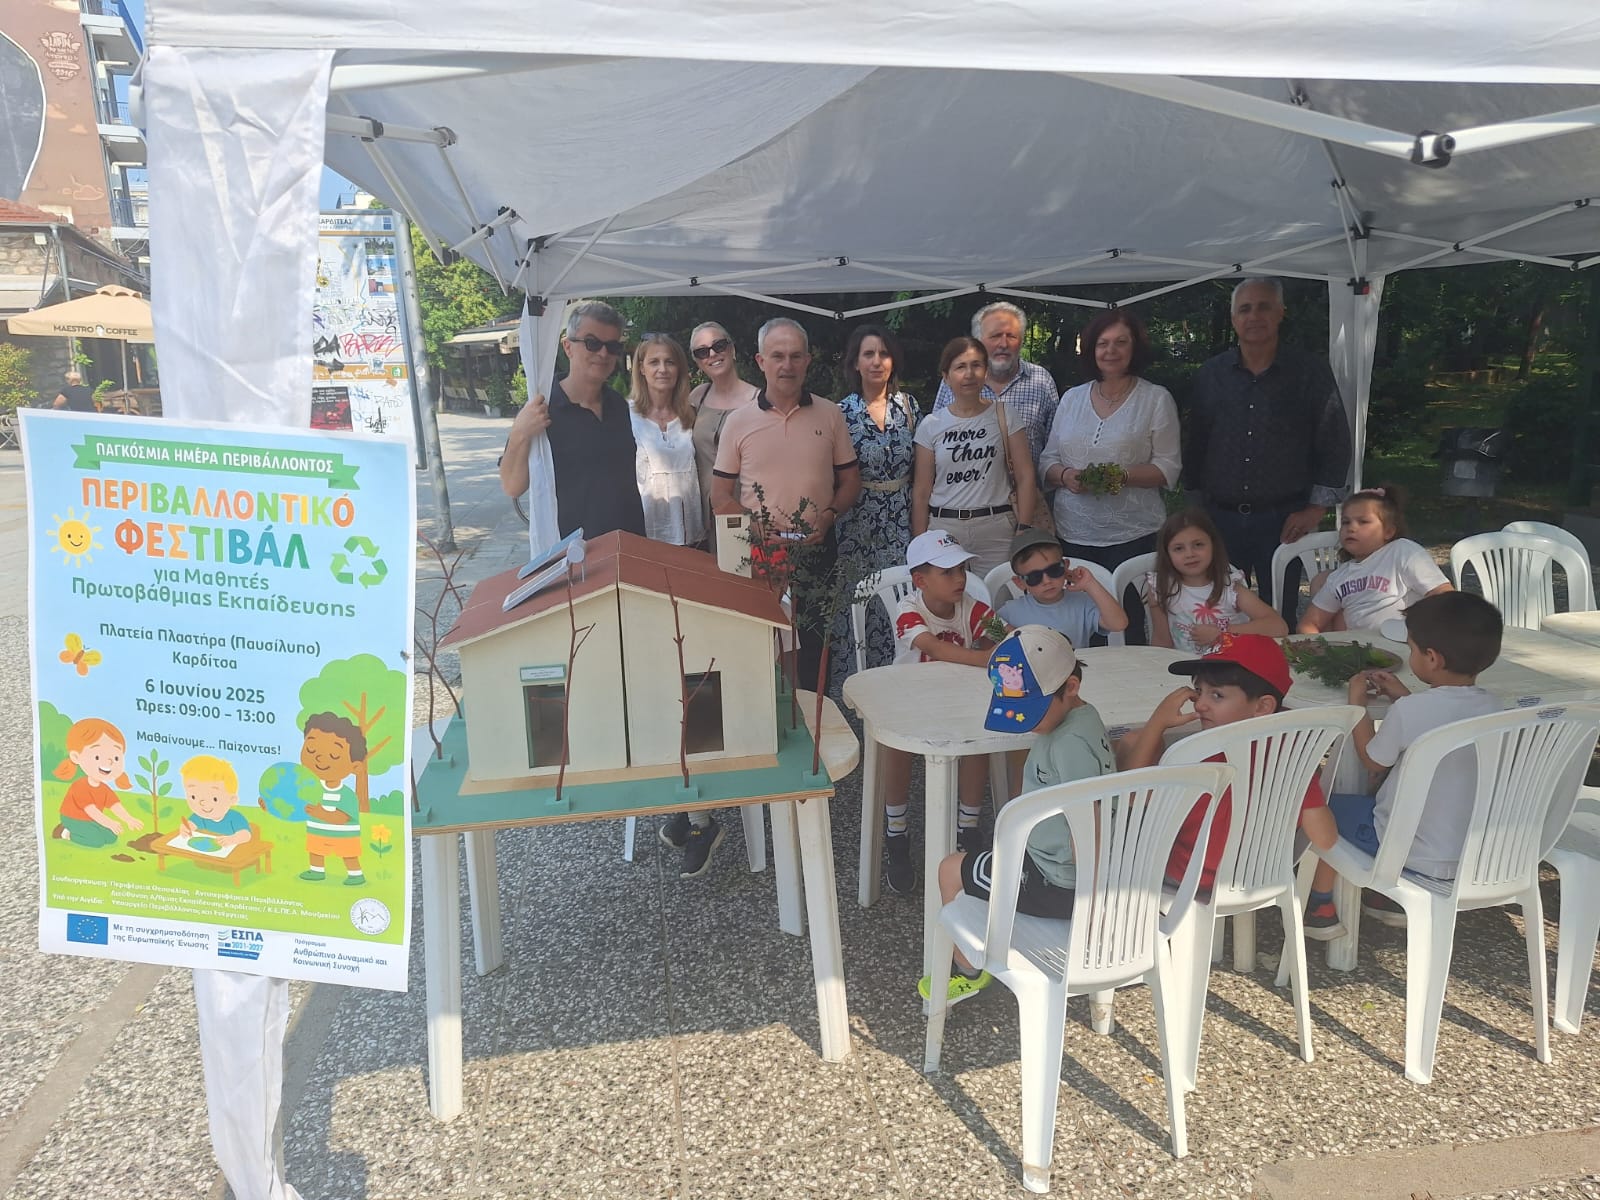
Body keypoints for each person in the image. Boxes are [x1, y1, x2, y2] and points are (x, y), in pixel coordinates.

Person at [925, 626, 1113, 1002]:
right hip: (1053, 865)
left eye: (1032, 711)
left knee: (950, 869)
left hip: (1057, 882)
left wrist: (1092, 901)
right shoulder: (1083, 716)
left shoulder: (1068, 744)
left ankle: (967, 970)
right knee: (977, 863)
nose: (1025, 722)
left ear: (1070, 686)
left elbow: (1088, 819)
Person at [1302, 591, 1504, 933]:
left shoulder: (1410, 711)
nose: (1410, 656)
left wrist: (1357, 705)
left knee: (1328, 808)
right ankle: (1383, 900)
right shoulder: (1494, 707)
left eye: (1411, 649)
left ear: (1432, 658)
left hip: (1408, 850)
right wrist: (1404, 698)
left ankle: (1321, 905)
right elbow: (1440, 723)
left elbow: (1372, 761)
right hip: (1469, 850)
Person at [1183, 278, 1352, 614]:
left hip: (1285, 519)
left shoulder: (1309, 372)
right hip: (1220, 519)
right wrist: (1195, 509)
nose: (1254, 316)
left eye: (1263, 307)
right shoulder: (1212, 374)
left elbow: (1334, 438)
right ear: (1234, 319)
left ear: (1280, 313)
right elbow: (1195, 442)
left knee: (1280, 614)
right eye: (1244, 309)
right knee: (1222, 613)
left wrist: (1316, 509)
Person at [1120, 636, 1337, 896]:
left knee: (1130, 749)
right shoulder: (1292, 755)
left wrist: (1158, 722)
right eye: (1198, 691)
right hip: (1259, 876)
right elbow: (1325, 838)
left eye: (1217, 695)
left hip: (1185, 877)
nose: (1199, 704)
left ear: (1263, 705)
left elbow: (1131, 799)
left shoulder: (1197, 756)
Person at [710, 317, 861, 691]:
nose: (787, 365)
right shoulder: (738, 421)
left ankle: (816, 716)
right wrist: (753, 526)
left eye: (795, 356)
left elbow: (851, 481)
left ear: (808, 360)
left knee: (816, 648)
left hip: (817, 547)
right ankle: (763, 717)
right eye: (777, 356)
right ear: (761, 361)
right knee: (759, 644)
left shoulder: (830, 414)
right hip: (759, 552)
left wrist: (829, 516)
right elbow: (719, 496)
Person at [1038, 310, 1181, 642]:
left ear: (1135, 348)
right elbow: (1047, 460)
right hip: (1073, 534)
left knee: (1129, 624)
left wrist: (1118, 476)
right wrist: (1066, 475)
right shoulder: (1072, 398)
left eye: (1121, 342)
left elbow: (1168, 467)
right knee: (1082, 625)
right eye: (1102, 343)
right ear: (1091, 349)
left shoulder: (1155, 398)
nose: (1110, 351)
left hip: (1134, 536)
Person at [876, 530, 1000, 894]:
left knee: (979, 741)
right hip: (910, 699)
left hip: (959, 700)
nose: (960, 578)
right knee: (897, 748)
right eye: (948, 572)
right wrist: (986, 658)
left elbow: (1006, 633)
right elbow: (934, 648)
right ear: (920, 581)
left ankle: (968, 828)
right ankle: (896, 831)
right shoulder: (908, 609)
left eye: (961, 569)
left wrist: (997, 643)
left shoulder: (973, 607)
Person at [499, 300, 646, 539]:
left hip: (626, 543)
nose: (603, 353)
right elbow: (512, 486)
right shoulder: (542, 409)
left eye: (612, 346)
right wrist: (520, 432)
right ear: (568, 347)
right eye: (592, 343)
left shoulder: (618, 405)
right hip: (572, 551)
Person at [832, 324, 919, 685]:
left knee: (899, 604)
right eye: (868, 354)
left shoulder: (909, 407)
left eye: (883, 354)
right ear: (855, 362)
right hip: (857, 525)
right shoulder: (840, 413)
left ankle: (900, 688)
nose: (877, 361)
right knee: (858, 608)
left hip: (900, 522)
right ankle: (854, 693)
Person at [912, 337, 1039, 579]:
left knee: (1001, 595)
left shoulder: (1005, 415)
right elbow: (921, 490)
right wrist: (921, 541)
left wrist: (1024, 526)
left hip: (997, 528)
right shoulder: (931, 425)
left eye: (976, 365)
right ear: (946, 376)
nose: (969, 374)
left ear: (986, 372)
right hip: (945, 529)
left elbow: (1025, 475)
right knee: (949, 598)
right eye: (960, 367)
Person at [933, 301, 1059, 483]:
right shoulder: (955, 382)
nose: (1003, 344)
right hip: (964, 494)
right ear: (978, 341)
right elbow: (936, 440)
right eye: (995, 336)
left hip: (1024, 494)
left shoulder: (1041, 380)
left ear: (1021, 341)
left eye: (1011, 336)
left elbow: (1054, 448)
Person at [1297, 485, 1451, 633]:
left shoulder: (1402, 551)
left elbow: (1444, 595)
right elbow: (1308, 624)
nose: (1351, 528)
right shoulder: (1338, 578)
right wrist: (1324, 648)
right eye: (1345, 522)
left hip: (1408, 642)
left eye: (1363, 522)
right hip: (1361, 648)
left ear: (1388, 531)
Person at [1144, 508, 1287, 654]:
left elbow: (1278, 626)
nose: (1190, 554)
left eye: (1198, 545)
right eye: (1179, 548)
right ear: (1167, 554)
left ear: (1213, 545)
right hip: (1185, 665)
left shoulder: (1230, 588)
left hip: (1231, 663)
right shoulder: (1161, 588)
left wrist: (1223, 633)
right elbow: (1162, 642)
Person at [628, 332, 704, 548]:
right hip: (645, 535)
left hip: (693, 537)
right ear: (642, 368)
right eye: (654, 362)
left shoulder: (692, 414)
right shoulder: (627, 416)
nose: (663, 369)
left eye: (670, 362)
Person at [686, 321, 760, 531]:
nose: (712, 354)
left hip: (746, 512)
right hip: (705, 515)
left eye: (719, 346)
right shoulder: (697, 397)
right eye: (702, 352)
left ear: (732, 349)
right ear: (697, 361)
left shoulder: (758, 400)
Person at [998, 527, 1126, 647]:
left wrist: (1090, 584)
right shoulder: (1010, 612)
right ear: (1020, 582)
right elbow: (991, 636)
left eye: (1054, 570)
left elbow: (1119, 624)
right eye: (1034, 577)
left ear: (1065, 566)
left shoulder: (1082, 602)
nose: (1047, 581)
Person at [298, 712, 367, 887]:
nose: (319, 758)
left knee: (348, 855)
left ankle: (355, 874)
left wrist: (321, 814)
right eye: (311, 750)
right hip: (318, 832)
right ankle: (316, 871)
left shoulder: (346, 795)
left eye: (334, 755)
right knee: (315, 851)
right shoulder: (311, 790)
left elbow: (342, 818)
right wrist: (271, 805)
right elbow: (297, 806)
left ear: (355, 766)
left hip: (344, 836)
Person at [51, 718, 143, 847]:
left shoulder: (104, 789)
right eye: (97, 757)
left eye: (116, 758)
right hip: (73, 818)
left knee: (111, 837)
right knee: (96, 841)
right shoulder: (80, 786)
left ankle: (87, 830)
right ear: (76, 757)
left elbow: (115, 805)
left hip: (90, 820)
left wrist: (129, 819)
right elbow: (91, 810)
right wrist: (110, 823)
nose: (109, 762)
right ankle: (65, 832)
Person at [178, 755, 254, 850]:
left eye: (214, 799)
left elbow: (246, 835)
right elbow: (191, 824)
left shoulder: (235, 818)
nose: (202, 803)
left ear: (232, 799)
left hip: (231, 853)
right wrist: (185, 829)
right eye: (193, 797)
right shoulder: (199, 817)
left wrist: (232, 839)